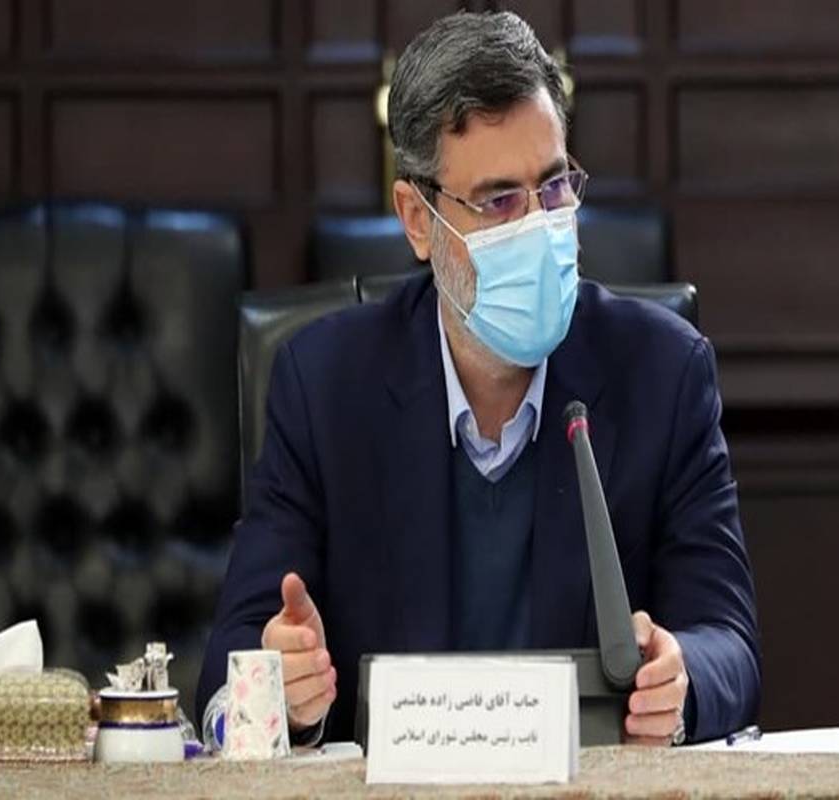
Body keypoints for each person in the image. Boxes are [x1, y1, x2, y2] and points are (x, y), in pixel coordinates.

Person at [197, 10, 759, 746]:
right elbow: (227, 677)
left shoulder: (663, 371)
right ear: (418, 219)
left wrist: (683, 679)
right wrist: (279, 689)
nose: (539, 225)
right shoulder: (324, 386)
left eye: (553, 188)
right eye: (499, 201)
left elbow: (729, 644)